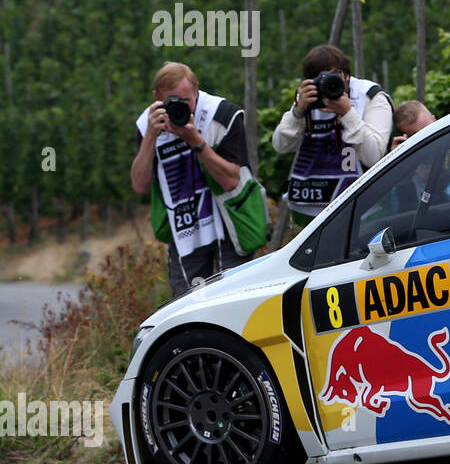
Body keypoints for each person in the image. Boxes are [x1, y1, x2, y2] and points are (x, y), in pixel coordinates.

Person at [131, 62, 254, 296]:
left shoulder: (222, 115)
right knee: (188, 306)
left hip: (231, 222)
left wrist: (195, 140)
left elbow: (230, 181)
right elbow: (139, 185)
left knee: (235, 299)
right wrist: (150, 137)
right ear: (157, 97)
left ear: (197, 91)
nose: (182, 108)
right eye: (172, 102)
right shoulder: (147, 123)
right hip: (185, 229)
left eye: (186, 101)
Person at [272, 45, 393, 220]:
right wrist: (297, 112)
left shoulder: (371, 97)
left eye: (333, 76)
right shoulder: (311, 98)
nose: (325, 83)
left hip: (363, 210)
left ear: (346, 75)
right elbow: (280, 146)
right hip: (308, 210)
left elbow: (374, 157)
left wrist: (347, 113)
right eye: (319, 78)